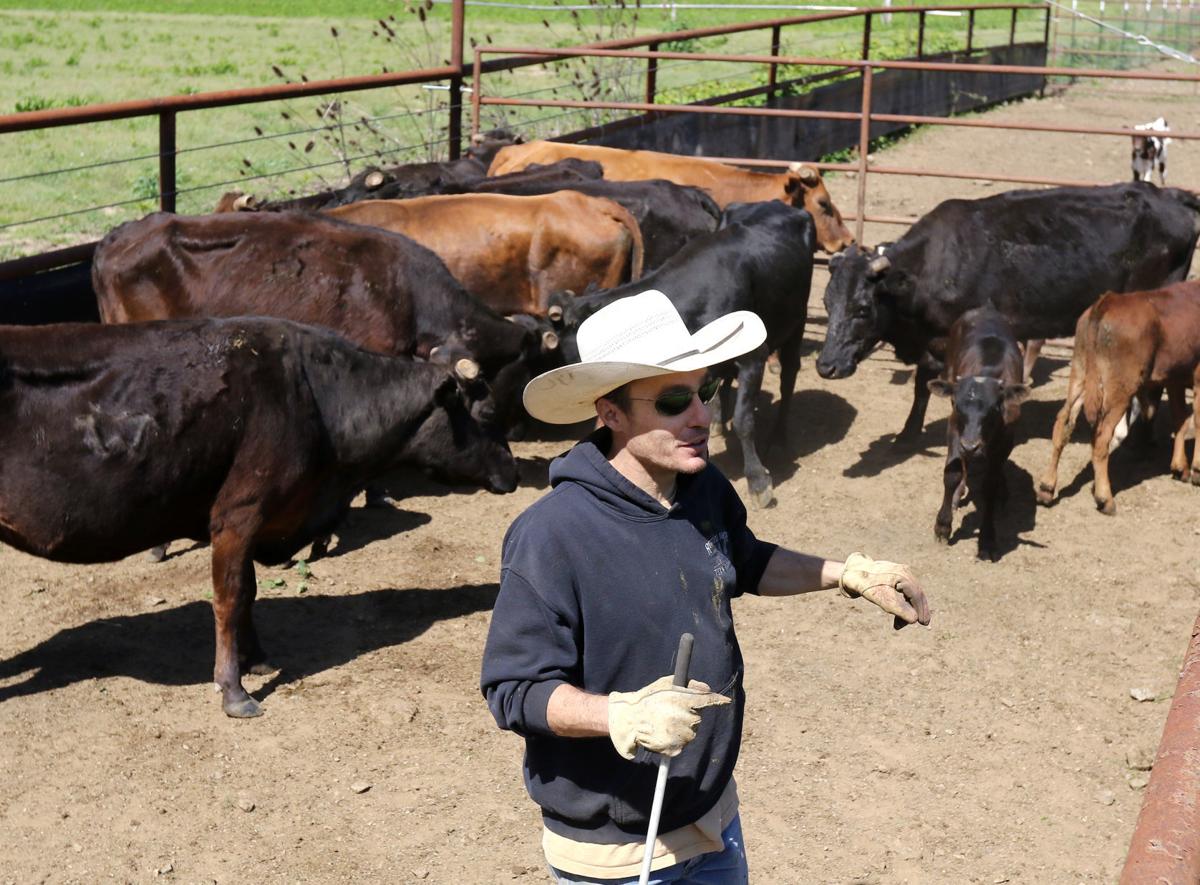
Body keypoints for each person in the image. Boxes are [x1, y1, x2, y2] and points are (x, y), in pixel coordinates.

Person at [481, 290, 931, 884]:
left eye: (707, 391)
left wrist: (845, 573)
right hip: (617, 852)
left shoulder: (700, 486)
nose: (702, 416)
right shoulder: (551, 535)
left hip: (712, 817)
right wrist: (620, 716)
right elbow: (513, 689)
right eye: (674, 400)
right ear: (610, 413)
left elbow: (742, 561)